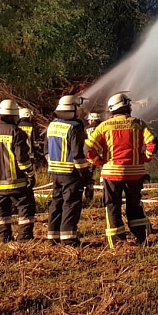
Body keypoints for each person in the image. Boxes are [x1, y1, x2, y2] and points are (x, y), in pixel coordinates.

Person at [86, 93, 158, 247]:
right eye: (129, 105)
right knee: (134, 204)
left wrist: (99, 161)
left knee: (112, 206)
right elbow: (153, 143)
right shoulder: (138, 123)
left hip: (111, 173)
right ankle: (141, 238)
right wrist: (144, 158)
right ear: (124, 105)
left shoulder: (104, 126)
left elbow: (88, 148)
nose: (131, 107)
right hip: (135, 173)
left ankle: (117, 241)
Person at [0, 100, 35, 243]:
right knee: (25, 207)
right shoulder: (17, 132)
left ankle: (4, 237)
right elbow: (22, 160)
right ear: (14, 116)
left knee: (2, 211)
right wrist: (30, 175)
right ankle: (24, 238)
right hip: (16, 181)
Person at [45, 96, 92, 246]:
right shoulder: (74, 127)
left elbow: (46, 150)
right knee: (71, 204)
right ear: (72, 109)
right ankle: (69, 238)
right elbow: (78, 155)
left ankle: (52, 236)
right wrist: (86, 175)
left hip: (55, 173)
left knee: (56, 203)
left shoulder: (52, 126)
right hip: (71, 173)